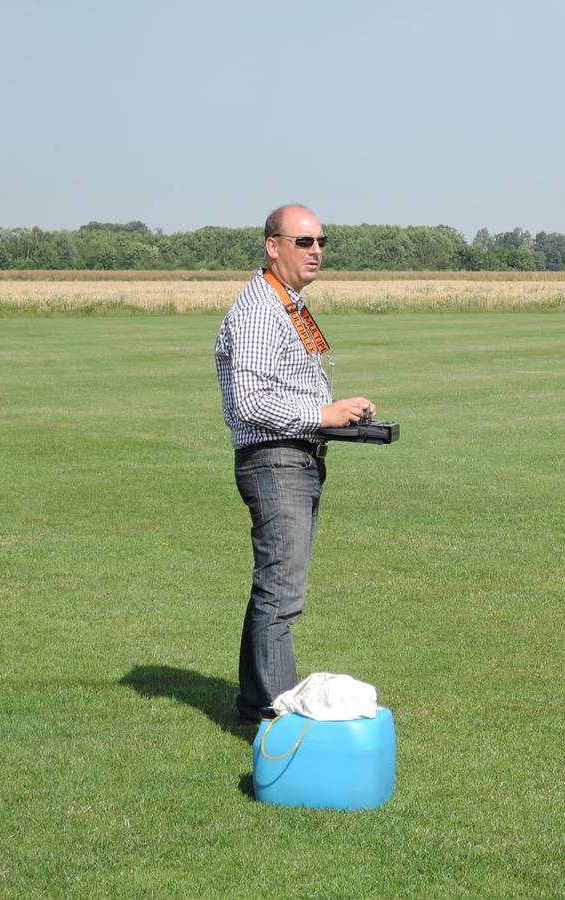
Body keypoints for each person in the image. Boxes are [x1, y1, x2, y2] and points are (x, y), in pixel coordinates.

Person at [215, 204, 375, 726]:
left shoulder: (289, 304)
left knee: (274, 587)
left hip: (294, 456)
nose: (316, 251)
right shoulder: (261, 310)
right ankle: (281, 722)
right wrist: (322, 414)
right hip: (275, 461)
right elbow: (251, 403)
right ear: (273, 246)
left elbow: (285, 387)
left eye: (321, 241)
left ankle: (255, 706)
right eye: (304, 241)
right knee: (281, 595)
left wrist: (339, 414)